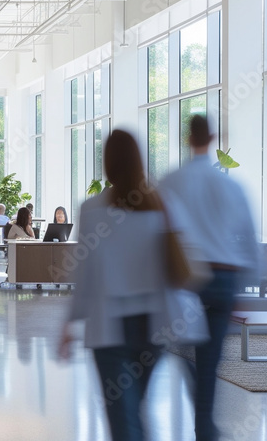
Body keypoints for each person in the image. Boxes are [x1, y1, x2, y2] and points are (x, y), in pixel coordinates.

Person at [58, 130, 206, 441]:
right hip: (153, 327)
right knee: (134, 407)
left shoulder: (92, 209)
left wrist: (70, 322)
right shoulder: (162, 203)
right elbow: (185, 258)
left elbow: (85, 273)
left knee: (122, 416)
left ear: (107, 164)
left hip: (111, 328)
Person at [158, 115, 259, 441]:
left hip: (186, 280)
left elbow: (157, 234)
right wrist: (246, 291)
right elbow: (249, 240)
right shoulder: (231, 185)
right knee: (209, 358)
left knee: (181, 349)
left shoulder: (170, 181)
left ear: (188, 138)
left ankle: (204, 422)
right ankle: (205, 426)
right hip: (224, 280)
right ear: (212, 138)